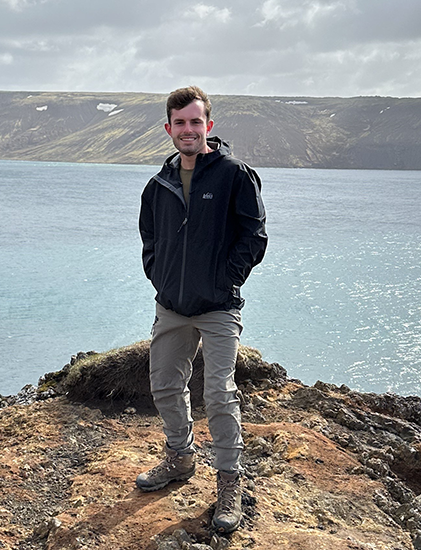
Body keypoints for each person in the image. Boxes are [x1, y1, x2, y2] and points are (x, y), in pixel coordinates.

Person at [136, 86, 268, 534]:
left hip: (217, 307)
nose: (188, 130)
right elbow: (149, 240)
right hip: (171, 305)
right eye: (180, 123)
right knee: (164, 385)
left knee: (219, 394)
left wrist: (224, 281)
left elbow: (254, 237)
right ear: (168, 128)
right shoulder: (159, 183)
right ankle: (180, 457)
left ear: (208, 126)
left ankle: (229, 482)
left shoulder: (235, 175)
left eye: (196, 122)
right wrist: (160, 277)